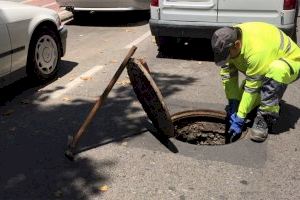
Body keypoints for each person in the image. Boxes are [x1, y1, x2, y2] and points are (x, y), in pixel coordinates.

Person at [211, 22, 300, 142]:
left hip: (291, 63)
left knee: (277, 70)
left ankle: (265, 117)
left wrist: (241, 116)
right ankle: (259, 100)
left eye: (228, 55)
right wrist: (233, 100)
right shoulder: (230, 37)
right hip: (263, 67)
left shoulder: (256, 52)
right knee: (242, 105)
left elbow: (252, 87)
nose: (227, 58)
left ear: (237, 45)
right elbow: (228, 74)